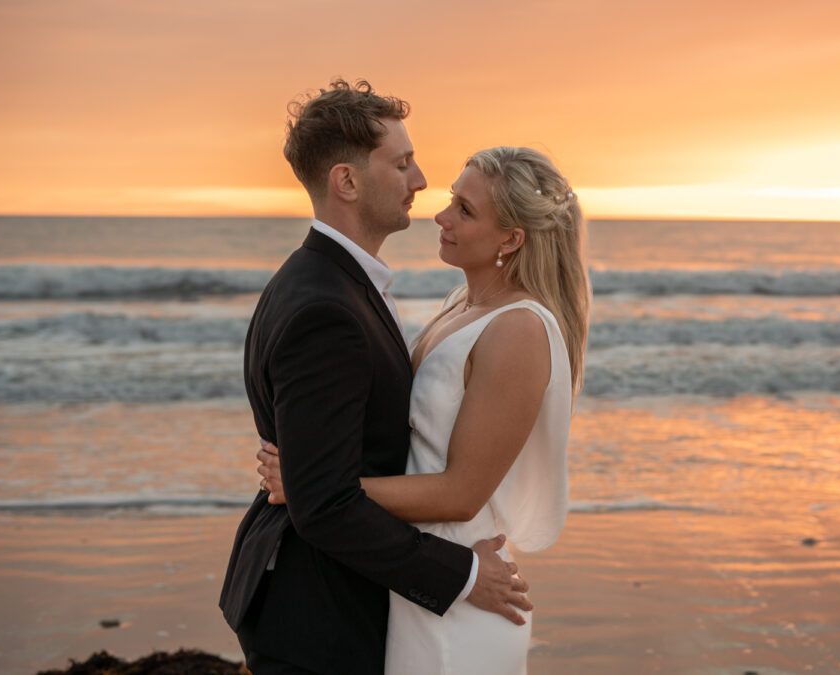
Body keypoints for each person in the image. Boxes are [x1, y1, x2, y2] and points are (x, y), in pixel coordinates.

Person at [219, 79, 534, 675]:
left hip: (325, 598)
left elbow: (324, 483)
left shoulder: (323, 280)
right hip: (319, 614)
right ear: (347, 181)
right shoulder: (326, 309)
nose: (419, 181)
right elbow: (327, 507)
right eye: (403, 162)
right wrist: (466, 575)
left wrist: (308, 482)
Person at [256, 144, 590, 674]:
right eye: (453, 199)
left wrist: (309, 486)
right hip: (419, 573)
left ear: (511, 238)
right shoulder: (461, 307)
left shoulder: (520, 329)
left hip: (461, 588)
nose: (440, 215)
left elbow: (460, 493)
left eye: (465, 209)